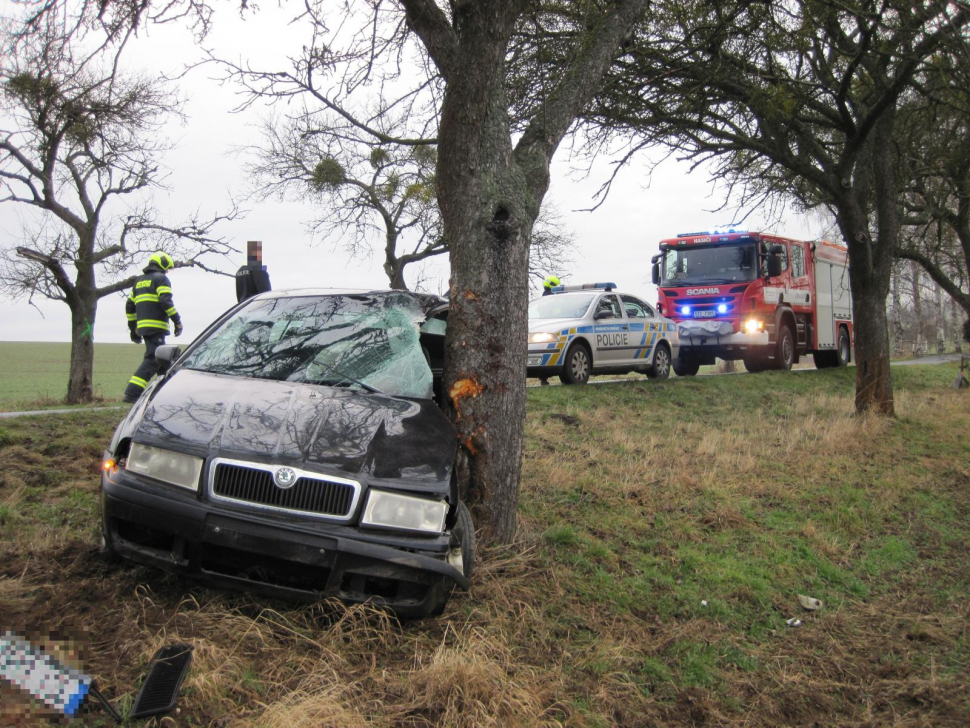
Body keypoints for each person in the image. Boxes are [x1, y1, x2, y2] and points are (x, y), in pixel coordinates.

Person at [123, 252, 183, 403]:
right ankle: (132, 393)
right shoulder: (161, 279)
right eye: (167, 268)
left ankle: (164, 392)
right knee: (153, 359)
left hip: (143, 326)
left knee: (163, 360)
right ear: (162, 265)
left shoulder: (138, 281)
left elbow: (130, 306)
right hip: (156, 326)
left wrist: (133, 328)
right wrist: (177, 320)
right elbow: (165, 301)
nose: (167, 271)